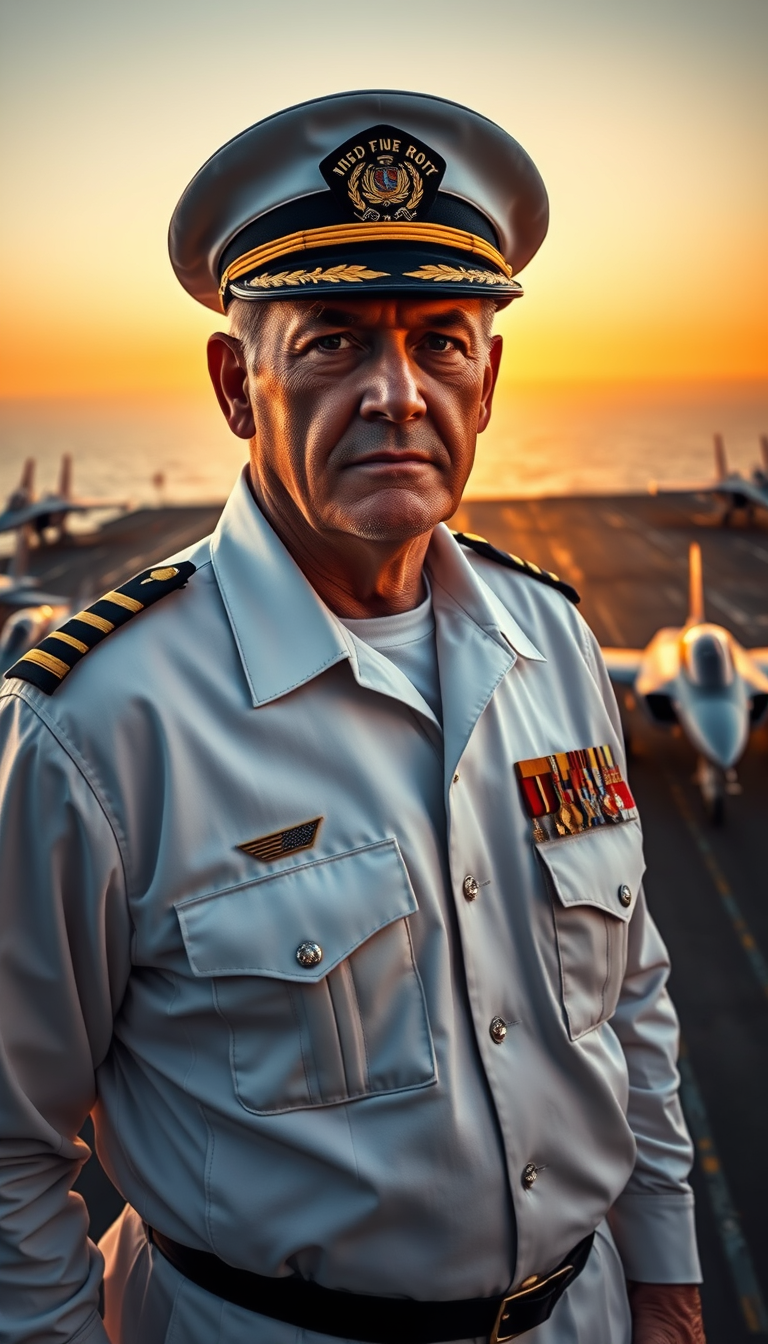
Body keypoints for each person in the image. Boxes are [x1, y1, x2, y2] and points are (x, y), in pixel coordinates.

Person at [0, 91, 706, 1344]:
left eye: (443, 339)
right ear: (236, 382)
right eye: (332, 342)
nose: (398, 392)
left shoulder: (554, 643)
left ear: (490, 376)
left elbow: (629, 999)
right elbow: (9, 1147)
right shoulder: (95, 726)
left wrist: (665, 1278)